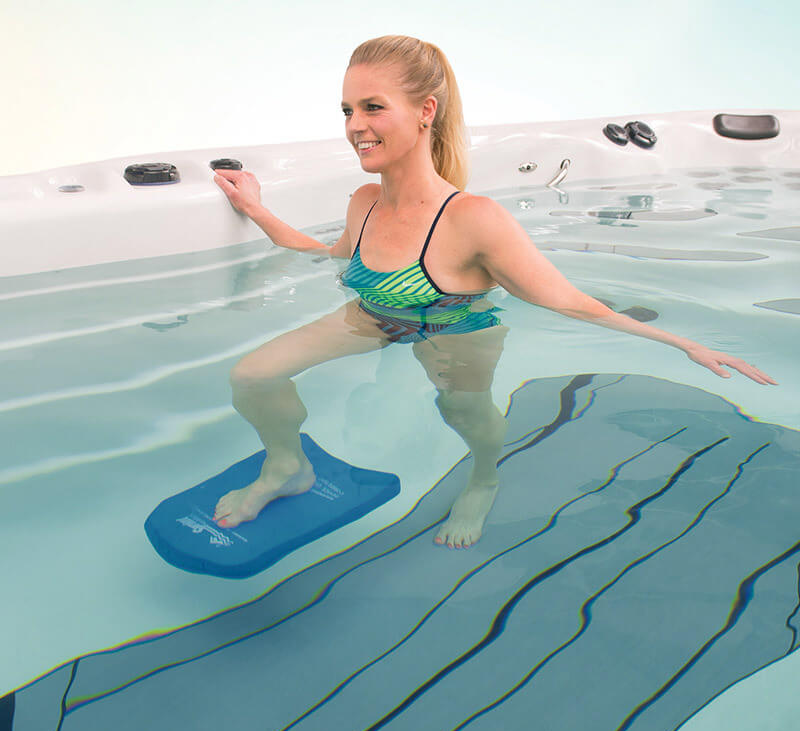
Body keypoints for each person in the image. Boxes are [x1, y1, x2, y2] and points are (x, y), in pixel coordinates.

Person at [211, 35, 777, 550]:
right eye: (348, 110)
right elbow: (327, 255)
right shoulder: (366, 200)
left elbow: (566, 300)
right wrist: (256, 208)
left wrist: (682, 343)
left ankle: (483, 477)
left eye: (373, 107)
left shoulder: (473, 219)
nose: (355, 125)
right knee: (253, 375)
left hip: (455, 329)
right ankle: (288, 466)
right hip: (373, 314)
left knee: (462, 409)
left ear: (425, 111)